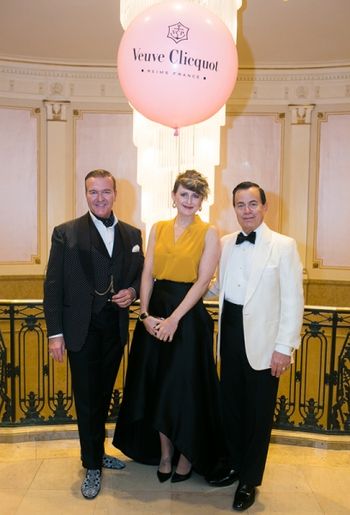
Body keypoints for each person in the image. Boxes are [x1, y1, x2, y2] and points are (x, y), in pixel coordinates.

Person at [113, 170, 224, 482]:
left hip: (187, 317)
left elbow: (203, 281)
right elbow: (147, 273)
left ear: (202, 201)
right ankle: (164, 455)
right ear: (174, 196)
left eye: (195, 195)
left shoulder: (210, 232)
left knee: (185, 391)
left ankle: (187, 457)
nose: (189, 200)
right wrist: (145, 315)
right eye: (184, 194)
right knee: (158, 387)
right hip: (155, 310)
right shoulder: (158, 228)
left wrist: (174, 319)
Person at [43, 169, 144, 499]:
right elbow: (53, 286)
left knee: (102, 395)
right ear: (85, 195)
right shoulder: (65, 233)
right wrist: (55, 333)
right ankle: (91, 465)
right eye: (93, 192)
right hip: (79, 330)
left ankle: (97, 453)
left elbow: (140, 275)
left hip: (113, 329)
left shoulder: (132, 234)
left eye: (105, 191)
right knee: (86, 398)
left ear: (116, 194)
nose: (100, 198)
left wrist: (131, 291)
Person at [206, 181, 304, 511]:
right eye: (239, 205)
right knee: (230, 407)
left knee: (258, 414)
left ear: (265, 207)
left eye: (252, 204)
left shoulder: (284, 245)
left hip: (265, 343)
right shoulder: (225, 243)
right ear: (233, 208)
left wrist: (284, 347)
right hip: (230, 334)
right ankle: (234, 464)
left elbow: (293, 300)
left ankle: (249, 479)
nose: (246, 211)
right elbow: (219, 288)